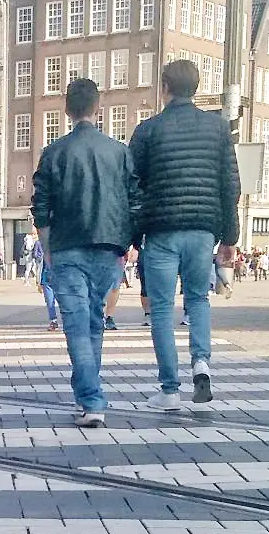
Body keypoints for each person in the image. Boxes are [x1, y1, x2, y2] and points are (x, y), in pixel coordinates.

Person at [129, 59, 240, 408]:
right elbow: (230, 185)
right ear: (196, 88)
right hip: (203, 229)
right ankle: (201, 362)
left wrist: (133, 236)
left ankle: (168, 390)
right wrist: (230, 238)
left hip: (162, 230)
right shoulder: (219, 129)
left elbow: (132, 187)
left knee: (161, 308)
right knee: (198, 299)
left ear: (164, 87)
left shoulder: (148, 130)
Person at [31, 77, 136, 428]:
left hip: (67, 245)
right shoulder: (119, 152)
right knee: (93, 321)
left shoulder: (54, 153)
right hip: (108, 245)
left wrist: (46, 248)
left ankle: (92, 400)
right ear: (98, 106)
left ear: (66, 109)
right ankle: (87, 396)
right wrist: (128, 244)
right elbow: (133, 201)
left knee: (76, 324)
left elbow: (41, 205)